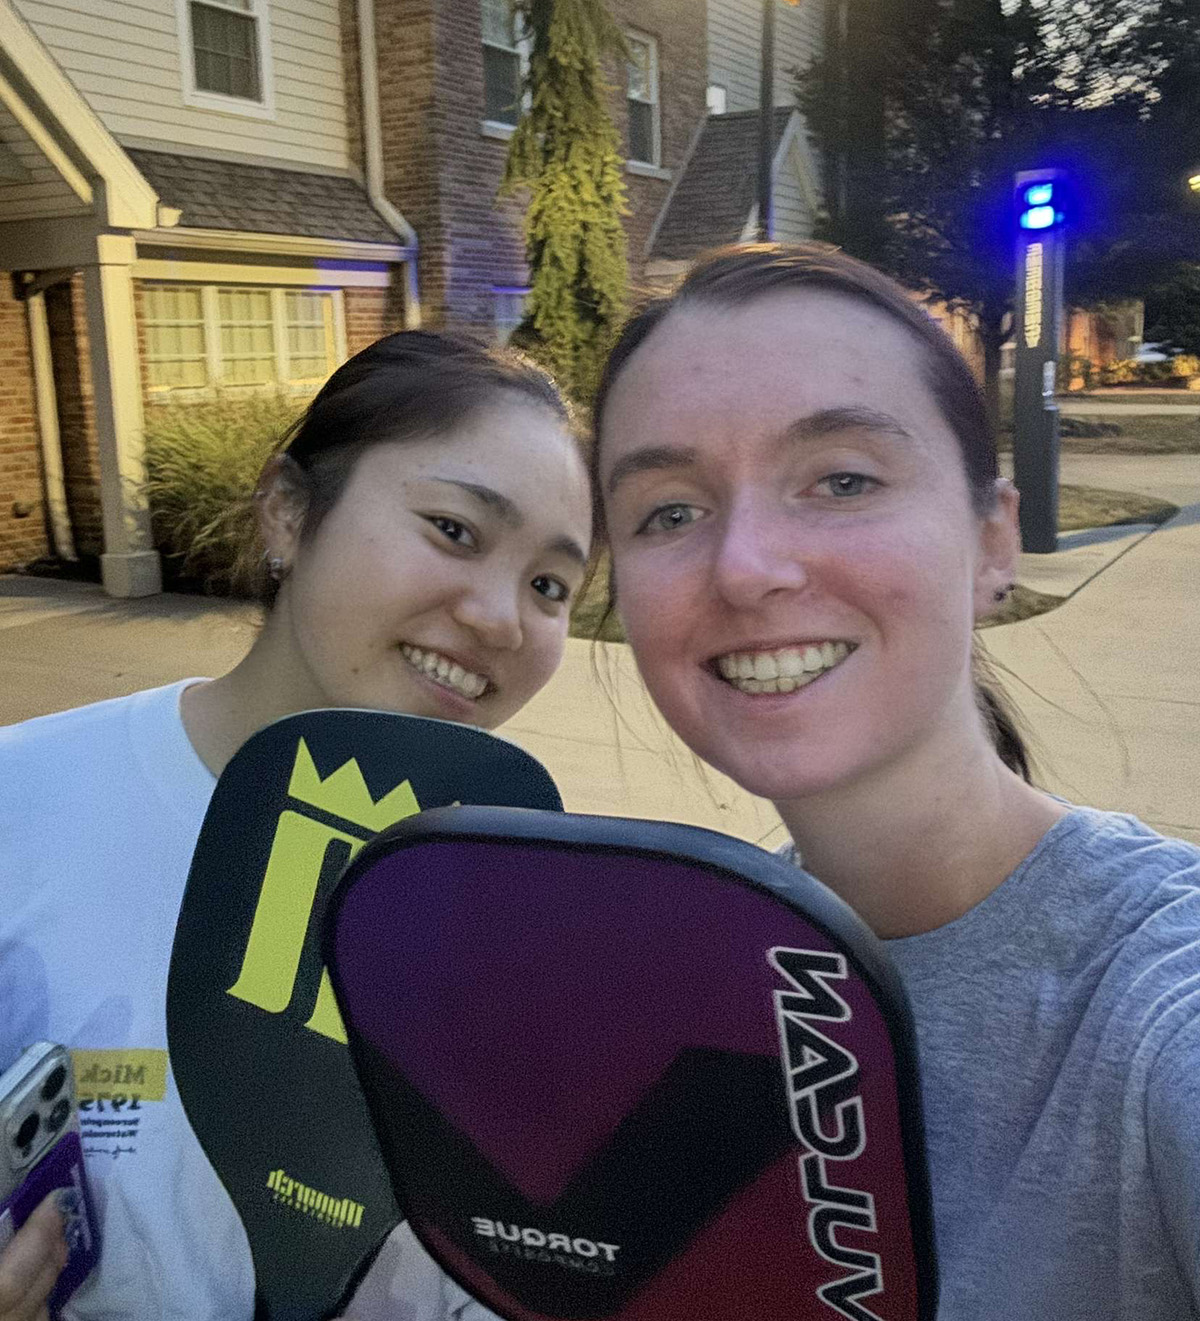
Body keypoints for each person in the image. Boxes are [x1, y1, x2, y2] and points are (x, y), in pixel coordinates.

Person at [589, 243, 1200, 1320]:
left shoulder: (1158, 1006)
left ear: (993, 540)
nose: (744, 566)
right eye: (670, 511)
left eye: (842, 479)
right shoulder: (699, 982)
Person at [0, 330, 593, 1321]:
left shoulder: (532, 924)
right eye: (454, 529)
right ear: (288, 511)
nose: (501, 618)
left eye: (550, 586)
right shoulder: (24, 799)